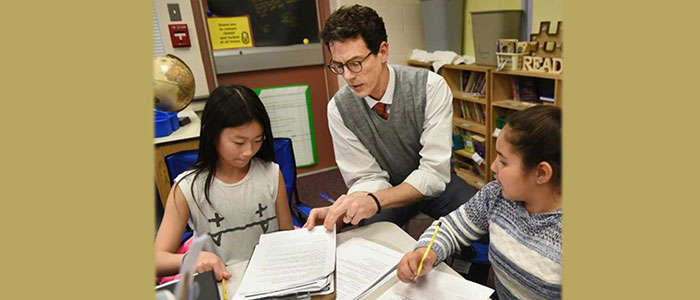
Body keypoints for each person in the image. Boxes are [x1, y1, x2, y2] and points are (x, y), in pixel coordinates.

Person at [303, 4, 477, 231]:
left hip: (437, 184)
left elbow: (433, 174)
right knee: (365, 234)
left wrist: (374, 201)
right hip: (384, 189)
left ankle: (464, 266)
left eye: (356, 63)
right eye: (339, 65)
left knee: (481, 223)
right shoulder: (338, 108)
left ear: (383, 51)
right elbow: (366, 177)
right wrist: (350, 206)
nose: (348, 76)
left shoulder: (429, 87)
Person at [397, 105, 562, 299]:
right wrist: (426, 252)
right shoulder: (496, 195)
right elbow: (451, 227)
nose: (493, 166)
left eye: (503, 161)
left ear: (541, 173)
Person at [155, 84, 294, 281]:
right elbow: (157, 260)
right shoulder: (187, 188)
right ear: (212, 134)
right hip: (223, 284)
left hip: (270, 279)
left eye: (257, 140)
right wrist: (190, 259)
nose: (248, 151)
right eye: (239, 142)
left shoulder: (271, 173)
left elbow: (286, 236)